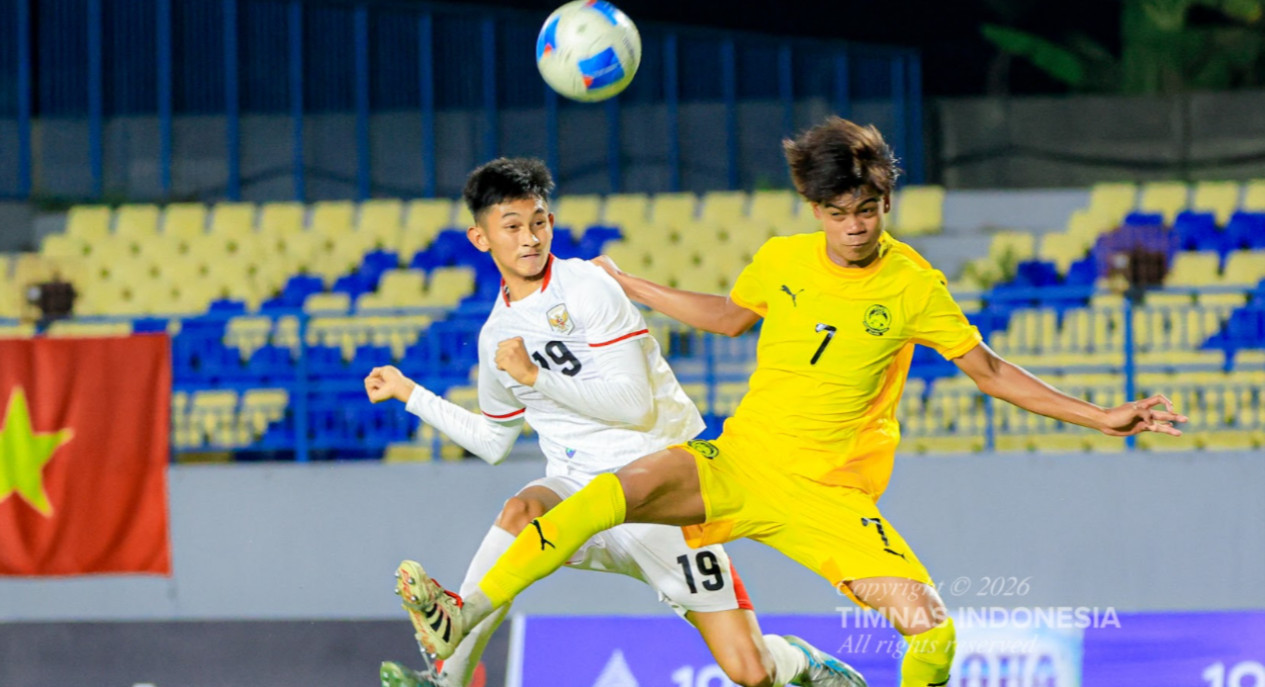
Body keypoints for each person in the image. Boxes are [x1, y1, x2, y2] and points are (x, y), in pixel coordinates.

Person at [396, 120, 1190, 687]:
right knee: (610, 492)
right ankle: (462, 617)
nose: (853, 229)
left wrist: (1101, 414)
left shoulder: (913, 284)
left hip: (828, 498)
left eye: (867, 212)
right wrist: (631, 284)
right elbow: (730, 316)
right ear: (815, 210)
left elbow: (988, 370)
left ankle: (810, 667)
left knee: (932, 634)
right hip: (739, 462)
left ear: (885, 202)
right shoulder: (782, 259)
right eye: (838, 214)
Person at [366, 157, 862, 687]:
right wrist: (410, 393)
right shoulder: (496, 336)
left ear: (551, 223)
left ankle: (800, 660)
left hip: (661, 492)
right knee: (521, 510)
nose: (530, 238)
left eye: (538, 222)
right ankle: (448, 679)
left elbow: (634, 407)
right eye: (512, 227)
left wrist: (535, 377)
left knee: (752, 672)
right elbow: (493, 442)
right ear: (481, 238)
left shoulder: (587, 287)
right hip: (579, 491)